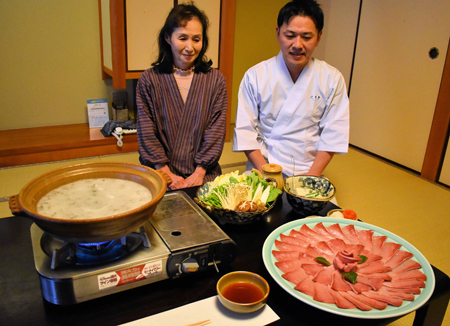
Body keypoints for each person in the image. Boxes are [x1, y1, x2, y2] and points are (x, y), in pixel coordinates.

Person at [232, 0, 349, 177]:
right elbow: (245, 132)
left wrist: (310, 178)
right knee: (244, 203)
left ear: (318, 37)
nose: (297, 44)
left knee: (329, 206)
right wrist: (267, 172)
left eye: (307, 37)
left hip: (308, 169)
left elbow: (334, 134)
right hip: (263, 165)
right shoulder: (255, 76)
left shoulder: (332, 79)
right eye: (290, 35)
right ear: (278, 33)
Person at [136, 2, 228, 190]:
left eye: (196, 39)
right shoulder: (149, 80)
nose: (190, 47)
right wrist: (166, 172)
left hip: (204, 175)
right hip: (161, 175)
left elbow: (216, 130)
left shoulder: (215, 80)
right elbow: (146, 130)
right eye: (183, 38)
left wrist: (199, 173)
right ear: (168, 38)